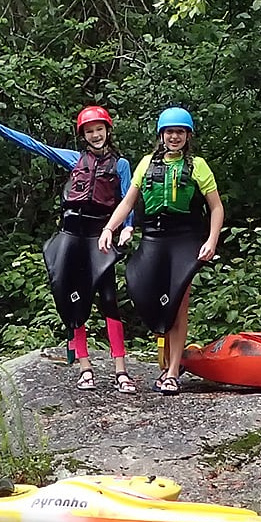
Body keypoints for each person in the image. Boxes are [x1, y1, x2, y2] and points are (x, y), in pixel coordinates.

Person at [0, 106, 137, 393]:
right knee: (75, 300)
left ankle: (120, 369)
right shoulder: (74, 159)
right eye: (90, 131)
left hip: (100, 236)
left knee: (109, 299)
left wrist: (128, 225)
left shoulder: (120, 165)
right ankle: (85, 367)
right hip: (73, 237)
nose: (95, 135)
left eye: (99, 129)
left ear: (108, 131)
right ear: (83, 135)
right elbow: (35, 145)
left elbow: (127, 196)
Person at [98, 107, 224, 395]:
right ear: (161, 135)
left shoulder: (198, 165)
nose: (174, 137)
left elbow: (216, 208)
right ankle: (167, 362)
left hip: (185, 240)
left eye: (180, 132)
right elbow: (128, 203)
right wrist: (109, 228)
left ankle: (171, 372)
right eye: (170, 132)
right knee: (147, 296)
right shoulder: (146, 164)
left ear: (187, 135)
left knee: (179, 302)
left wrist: (211, 239)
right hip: (154, 238)